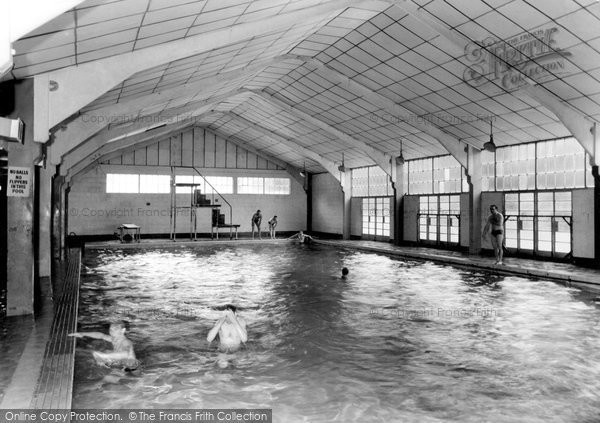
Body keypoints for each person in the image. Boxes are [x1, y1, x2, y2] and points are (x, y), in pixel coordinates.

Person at [68, 322, 139, 370]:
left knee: (104, 384)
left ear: (123, 330)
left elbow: (126, 354)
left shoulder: (126, 342)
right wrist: (82, 334)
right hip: (121, 364)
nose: (112, 332)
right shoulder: (114, 339)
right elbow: (101, 335)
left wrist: (104, 356)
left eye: (115, 329)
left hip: (130, 368)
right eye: (111, 330)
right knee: (101, 352)